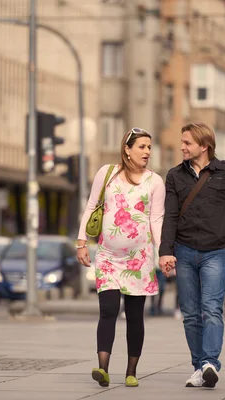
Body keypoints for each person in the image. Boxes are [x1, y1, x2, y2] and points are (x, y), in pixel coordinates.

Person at [158, 122, 225, 388]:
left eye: (187, 143)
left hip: (215, 251)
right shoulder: (174, 176)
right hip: (185, 250)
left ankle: (210, 362)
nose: (182, 147)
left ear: (204, 145)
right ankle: (198, 367)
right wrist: (165, 251)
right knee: (190, 313)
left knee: (212, 309)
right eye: (181, 142)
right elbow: (170, 216)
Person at [76, 127, 165, 388]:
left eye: (150, 147)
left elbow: (156, 219)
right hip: (108, 257)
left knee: (135, 316)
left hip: (140, 259)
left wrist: (164, 252)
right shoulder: (106, 173)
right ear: (127, 149)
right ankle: (102, 368)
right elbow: (92, 206)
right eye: (142, 146)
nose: (147, 151)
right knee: (108, 310)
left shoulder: (155, 181)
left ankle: (131, 371)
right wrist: (82, 242)